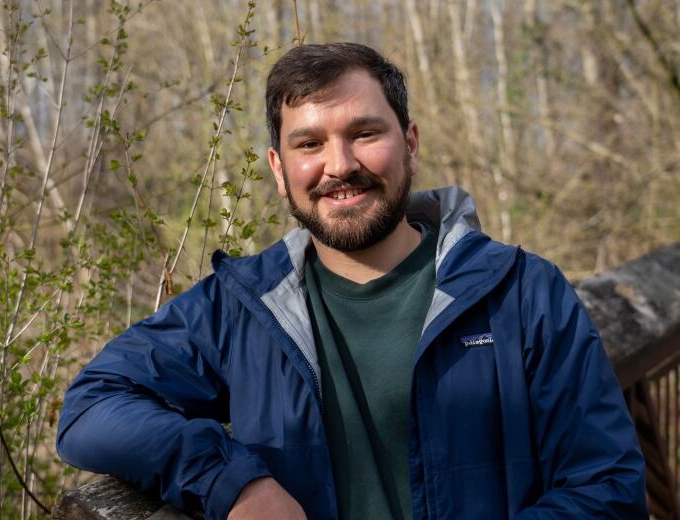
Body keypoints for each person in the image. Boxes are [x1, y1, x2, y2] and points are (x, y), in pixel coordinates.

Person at [57, 43, 647, 520]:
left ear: (409, 144)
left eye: (365, 133)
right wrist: (233, 482)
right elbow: (90, 408)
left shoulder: (523, 292)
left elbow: (609, 488)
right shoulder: (240, 306)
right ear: (279, 170)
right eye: (309, 143)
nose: (339, 165)